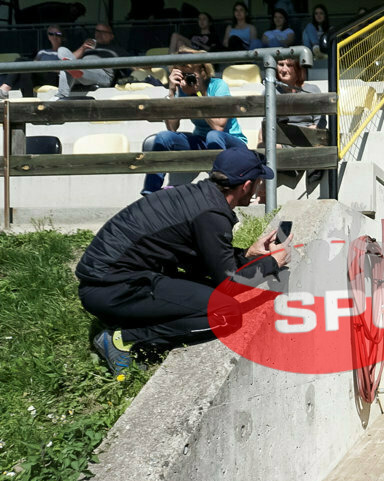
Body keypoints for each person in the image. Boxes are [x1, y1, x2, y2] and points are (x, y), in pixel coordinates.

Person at [77, 148, 289, 375]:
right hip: (113, 290)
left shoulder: (198, 198)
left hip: (109, 283)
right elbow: (230, 284)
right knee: (227, 314)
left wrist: (248, 254)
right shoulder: (211, 214)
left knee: (209, 293)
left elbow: (205, 264)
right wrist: (272, 263)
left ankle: (133, 326)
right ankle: (123, 339)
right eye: (258, 182)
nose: (259, 188)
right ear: (246, 185)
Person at [143, 48, 249, 194]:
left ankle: (217, 188)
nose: (187, 79)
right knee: (163, 137)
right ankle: (150, 193)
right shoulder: (183, 89)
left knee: (213, 135)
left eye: (190, 74)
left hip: (231, 142)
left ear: (203, 71)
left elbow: (219, 126)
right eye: (183, 75)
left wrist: (199, 94)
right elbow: (171, 129)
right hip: (201, 141)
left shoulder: (218, 86)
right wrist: (172, 92)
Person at [257, 57, 326, 190]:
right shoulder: (270, 91)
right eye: (280, 64)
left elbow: (319, 123)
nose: (283, 69)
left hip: (307, 137)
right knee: (265, 144)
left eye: (289, 65)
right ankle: (262, 192)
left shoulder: (312, 90)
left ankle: (262, 193)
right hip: (283, 137)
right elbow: (266, 126)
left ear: (298, 69)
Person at [0, 24, 78, 99]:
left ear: (62, 36)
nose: (54, 36)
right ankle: (28, 99)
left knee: (23, 63)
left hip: (54, 76)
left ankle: (5, 88)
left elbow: (73, 62)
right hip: (40, 76)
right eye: (51, 33)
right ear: (48, 36)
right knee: (24, 67)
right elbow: (34, 65)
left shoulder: (65, 52)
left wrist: (83, 48)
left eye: (57, 33)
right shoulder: (42, 52)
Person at [56, 22, 131, 99]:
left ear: (111, 36)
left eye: (103, 32)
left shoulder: (118, 50)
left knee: (68, 68)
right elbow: (71, 58)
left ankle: (61, 96)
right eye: (97, 31)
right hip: (79, 72)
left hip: (101, 75)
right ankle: (72, 70)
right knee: (62, 50)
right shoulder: (88, 48)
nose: (99, 34)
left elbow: (133, 64)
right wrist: (83, 48)